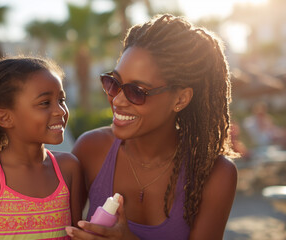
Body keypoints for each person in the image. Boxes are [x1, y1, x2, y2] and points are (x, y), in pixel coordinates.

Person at [67, 14, 238, 240]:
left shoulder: (215, 174)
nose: (117, 100)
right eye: (114, 83)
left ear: (180, 99)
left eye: (137, 91)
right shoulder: (91, 149)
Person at [0, 57, 84, 240]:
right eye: (45, 103)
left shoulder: (68, 168)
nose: (60, 111)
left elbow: (77, 235)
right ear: (5, 118)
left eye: (61, 99)